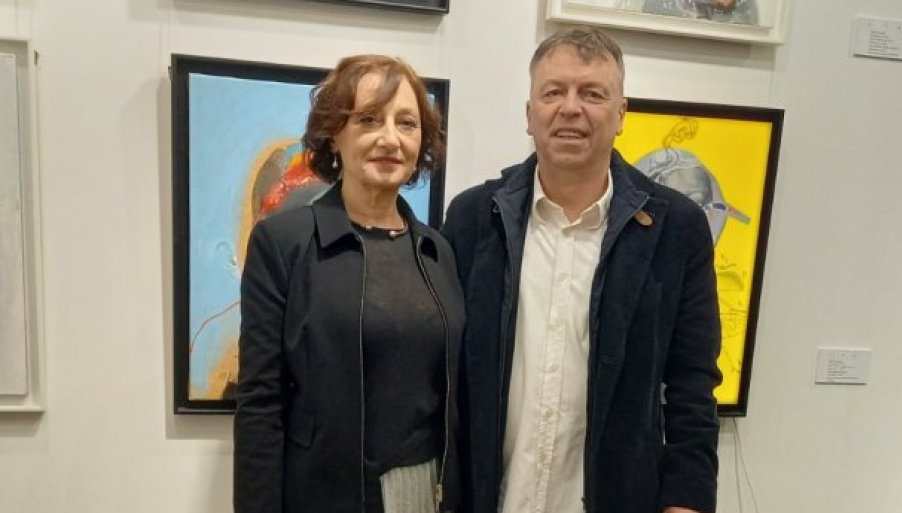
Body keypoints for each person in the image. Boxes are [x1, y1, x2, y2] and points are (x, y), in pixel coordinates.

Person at [442, 27, 721, 513]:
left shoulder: (676, 229)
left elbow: (693, 384)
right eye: (554, 92)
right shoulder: (473, 219)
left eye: (592, 94)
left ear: (621, 114)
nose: (570, 108)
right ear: (530, 113)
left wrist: (687, 501)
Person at [234, 54, 464, 513]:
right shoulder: (284, 243)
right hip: (322, 494)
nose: (390, 139)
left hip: (425, 493)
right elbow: (260, 403)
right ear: (335, 135)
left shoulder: (437, 252)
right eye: (369, 119)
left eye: (406, 124)